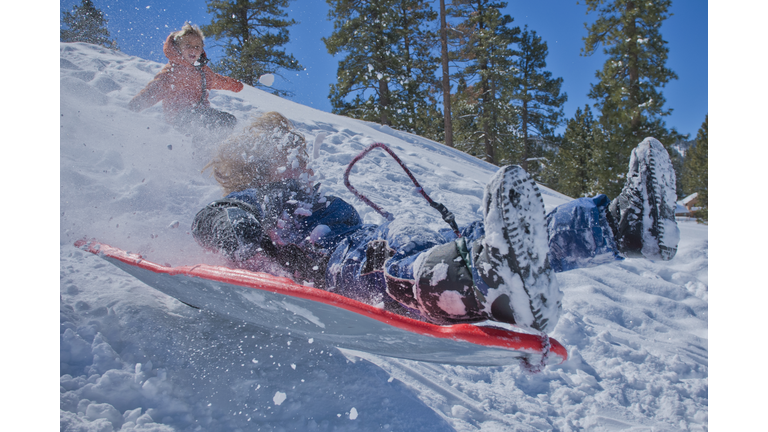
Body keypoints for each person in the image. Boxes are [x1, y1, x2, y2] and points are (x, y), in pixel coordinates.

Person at [191, 112, 679, 333]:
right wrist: (242, 237)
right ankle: (489, 282)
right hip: (346, 268)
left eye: (300, 155)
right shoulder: (262, 199)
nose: (299, 166)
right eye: (286, 158)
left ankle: (621, 225)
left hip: (381, 242)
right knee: (395, 266)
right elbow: (216, 218)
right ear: (257, 169)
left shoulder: (325, 202)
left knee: (475, 237)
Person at [128, 22, 244, 132]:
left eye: (197, 46)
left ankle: (217, 149)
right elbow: (154, 90)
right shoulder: (172, 72)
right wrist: (134, 106)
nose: (193, 49)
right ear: (178, 49)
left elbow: (220, 81)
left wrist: (236, 85)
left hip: (201, 113)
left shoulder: (204, 72)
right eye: (188, 45)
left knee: (229, 120)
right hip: (179, 116)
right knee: (207, 121)